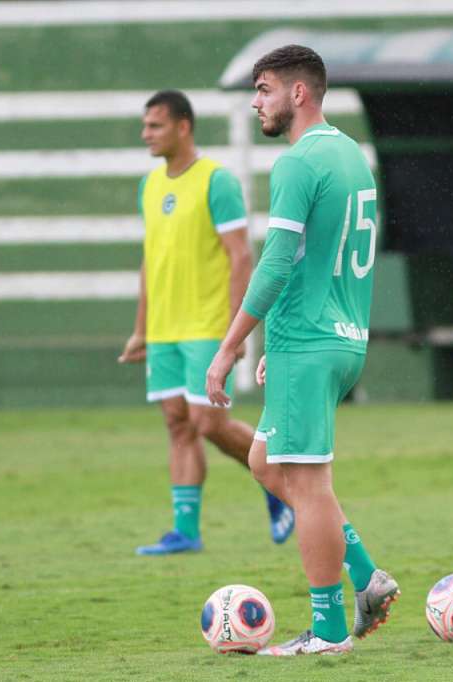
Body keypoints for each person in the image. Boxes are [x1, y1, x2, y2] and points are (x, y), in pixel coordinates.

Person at [205, 45, 399, 656]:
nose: (256, 102)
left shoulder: (297, 163)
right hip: (338, 338)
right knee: (265, 463)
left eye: (263, 89)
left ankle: (329, 630)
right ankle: (366, 575)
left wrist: (230, 347)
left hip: (310, 342)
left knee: (309, 486)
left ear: (298, 92)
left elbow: (276, 264)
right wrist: (283, 343)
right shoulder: (350, 155)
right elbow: (324, 255)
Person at [119, 90, 294, 555]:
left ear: (183, 127)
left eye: (155, 125)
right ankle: (185, 532)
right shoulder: (149, 185)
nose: (146, 134)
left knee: (210, 422)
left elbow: (241, 257)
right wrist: (141, 328)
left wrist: (235, 331)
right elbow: (150, 259)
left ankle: (280, 484)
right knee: (178, 424)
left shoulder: (217, 181)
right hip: (165, 329)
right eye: (145, 125)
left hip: (207, 325)